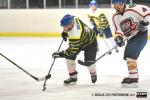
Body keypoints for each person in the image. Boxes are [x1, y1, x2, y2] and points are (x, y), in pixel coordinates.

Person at [112, 0, 150, 87]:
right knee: (127, 56)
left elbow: (147, 11)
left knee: (130, 55)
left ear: (121, 3)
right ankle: (134, 76)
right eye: (113, 4)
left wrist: (146, 21)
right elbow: (118, 30)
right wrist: (119, 38)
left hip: (140, 34)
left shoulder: (133, 8)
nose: (115, 6)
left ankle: (133, 79)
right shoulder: (114, 16)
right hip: (130, 38)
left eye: (116, 4)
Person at [52, 14, 98, 85]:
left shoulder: (75, 34)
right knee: (69, 58)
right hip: (81, 39)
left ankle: (93, 73)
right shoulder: (74, 19)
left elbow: (72, 50)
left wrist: (60, 54)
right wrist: (65, 32)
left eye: (65, 26)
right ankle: (73, 77)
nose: (64, 28)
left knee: (89, 63)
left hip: (90, 42)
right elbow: (68, 16)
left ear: (71, 24)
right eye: (63, 26)